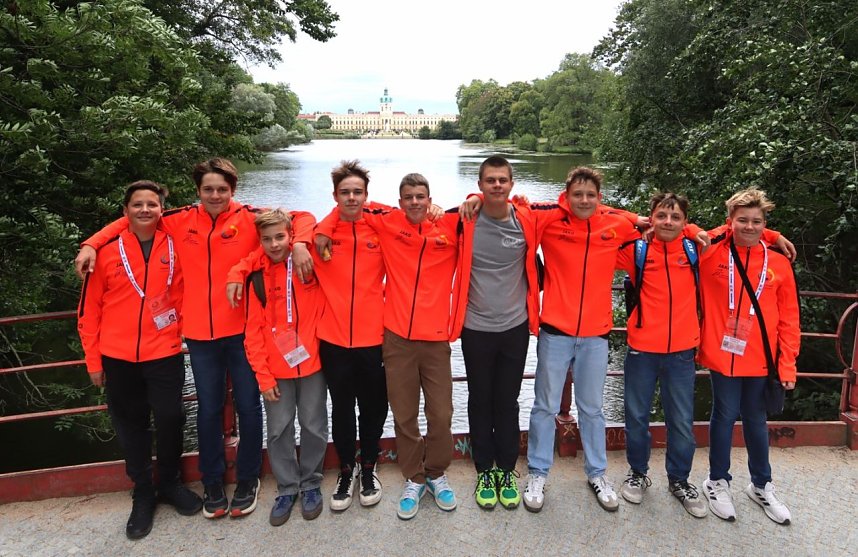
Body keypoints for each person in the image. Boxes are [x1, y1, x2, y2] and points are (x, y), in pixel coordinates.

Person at [74, 159, 315, 519]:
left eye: (222, 189)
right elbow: (134, 219)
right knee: (208, 408)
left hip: (243, 332)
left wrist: (301, 245)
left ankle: (248, 477)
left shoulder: (250, 218)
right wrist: (91, 244)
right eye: (208, 189)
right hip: (200, 335)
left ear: (233, 190)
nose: (215, 195)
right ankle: (213, 479)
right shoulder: (180, 219)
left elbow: (301, 217)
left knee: (250, 408)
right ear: (198, 191)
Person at [227, 160, 387, 512]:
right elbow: (276, 243)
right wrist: (240, 269)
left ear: (366, 195)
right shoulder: (316, 243)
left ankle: (365, 469)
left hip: (368, 339)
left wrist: (297, 242)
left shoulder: (377, 226)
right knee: (334, 413)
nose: (351, 197)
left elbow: (412, 213)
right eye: (344, 192)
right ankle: (339, 473)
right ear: (334, 196)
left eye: (357, 192)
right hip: (329, 344)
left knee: (365, 411)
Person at [315, 173, 459, 520]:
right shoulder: (387, 222)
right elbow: (348, 207)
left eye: (420, 197)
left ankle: (437, 473)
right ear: (398, 202)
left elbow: (483, 203)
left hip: (436, 336)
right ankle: (414, 477)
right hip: (395, 336)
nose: (414, 202)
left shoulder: (448, 227)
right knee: (405, 415)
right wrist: (317, 233)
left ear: (429, 198)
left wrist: (471, 198)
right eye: (408, 197)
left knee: (441, 414)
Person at [77, 181, 202, 539]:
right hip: (117, 356)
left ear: (163, 210)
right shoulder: (104, 252)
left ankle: (170, 483)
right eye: (137, 205)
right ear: (125, 211)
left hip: (164, 351)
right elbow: (88, 311)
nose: (145, 210)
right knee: (131, 425)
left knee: (171, 417)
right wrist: (93, 362)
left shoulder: (175, 243)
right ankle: (143, 491)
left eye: (152, 204)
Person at [522, 167, 640, 513]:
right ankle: (538, 472)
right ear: (566, 195)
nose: (584, 200)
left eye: (590, 195)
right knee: (543, 406)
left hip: (595, 335)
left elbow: (667, 227)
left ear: (600, 199)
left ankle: (597, 473)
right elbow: (513, 205)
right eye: (577, 194)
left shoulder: (614, 225)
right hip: (555, 331)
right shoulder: (551, 222)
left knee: (592, 409)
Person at [698, 188, 799, 525]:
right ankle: (717, 481)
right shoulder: (711, 253)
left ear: (765, 222)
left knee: (756, 420)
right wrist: (773, 234)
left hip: (761, 358)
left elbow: (789, 319)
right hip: (723, 354)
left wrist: (787, 364)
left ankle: (761, 484)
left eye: (758, 222)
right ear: (730, 222)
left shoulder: (779, 263)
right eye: (742, 220)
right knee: (724, 415)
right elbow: (691, 233)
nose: (750, 227)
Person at [449, 156, 541, 510]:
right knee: (479, 399)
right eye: (490, 181)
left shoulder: (527, 218)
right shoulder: (465, 218)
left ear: (512, 185)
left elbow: (581, 205)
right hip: (476, 328)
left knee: (508, 401)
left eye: (503, 180)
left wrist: (638, 219)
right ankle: (483, 469)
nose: (497, 186)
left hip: (515, 328)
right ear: (481, 184)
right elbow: (420, 213)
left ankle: (506, 468)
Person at [615, 192, 708, 517]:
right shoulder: (636, 250)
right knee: (637, 417)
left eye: (676, 217)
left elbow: (733, 231)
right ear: (651, 218)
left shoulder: (693, 248)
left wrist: (774, 235)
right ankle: (638, 474)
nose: (668, 221)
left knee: (681, 421)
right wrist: (632, 220)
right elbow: (603, 225)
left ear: (684, 222)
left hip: (682, 351)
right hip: (642, 349)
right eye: (661, 215)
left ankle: (679, 480)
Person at [240, 209, 328, 526]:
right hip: (275, 370)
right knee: (278, 430)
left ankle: (312, 484)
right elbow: (252, 334)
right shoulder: (257, 278)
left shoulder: (308, 264)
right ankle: (288, 488)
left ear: (291, 236)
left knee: (314, 425)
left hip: (313, 364)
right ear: (259, 241)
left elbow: (311, 218)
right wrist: (263, 378)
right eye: (267, 239)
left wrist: (303, 243)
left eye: (280, 237)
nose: (275, 244)